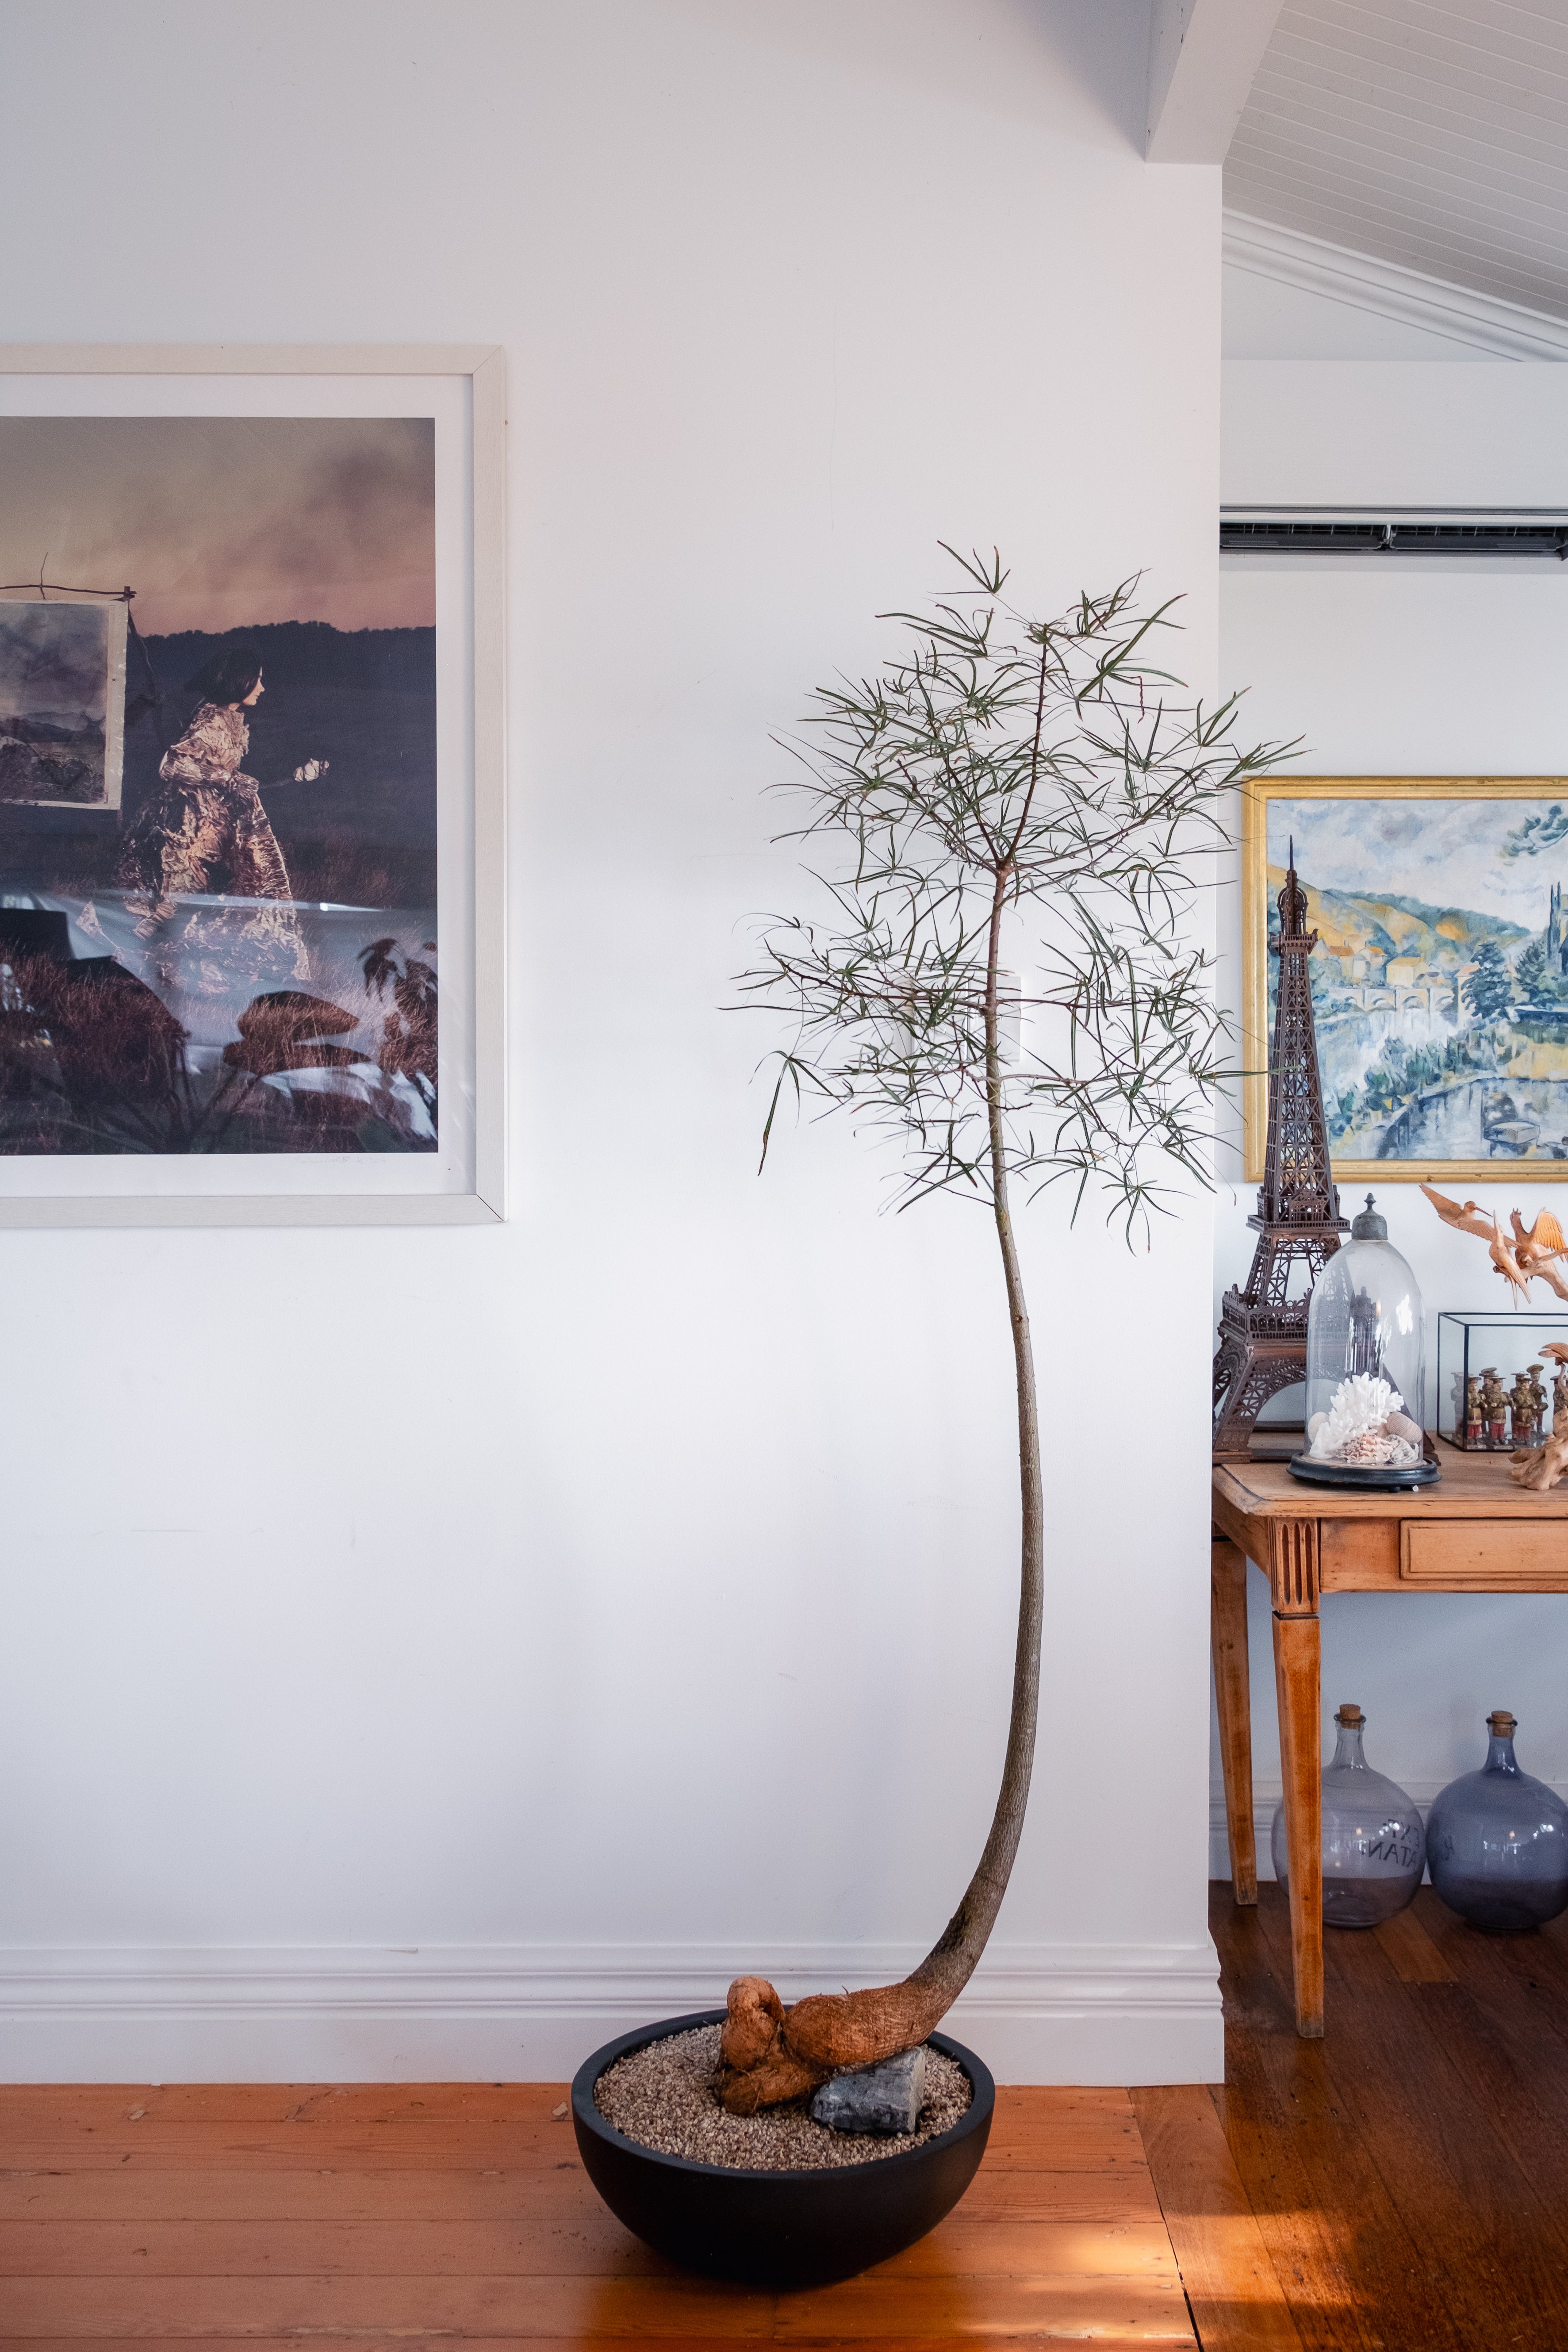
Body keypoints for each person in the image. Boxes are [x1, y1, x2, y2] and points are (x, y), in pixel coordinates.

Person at [118, 645, 328, 992]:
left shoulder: (229, 718)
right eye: (257, 681)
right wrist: (227, 780)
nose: (262, 688)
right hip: (189, 823)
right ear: (239, 682)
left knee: (221, 896)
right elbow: (171, 765)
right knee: (191, 899)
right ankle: (163, 974)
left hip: (216, 821)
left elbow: (240, 776)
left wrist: (295, 775)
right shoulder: (212, 719)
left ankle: (192, 973)